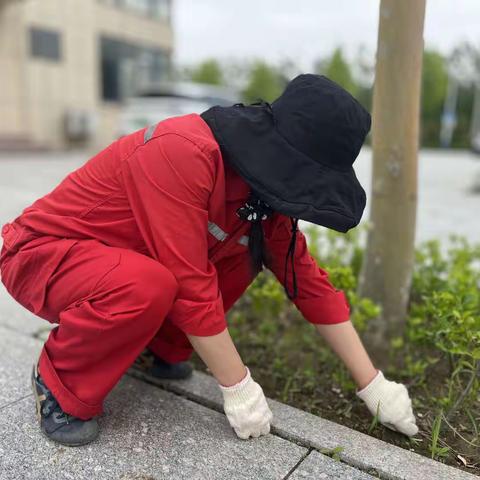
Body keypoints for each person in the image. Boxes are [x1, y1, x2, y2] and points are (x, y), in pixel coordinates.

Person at [0, 74, 418, 446]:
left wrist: (374, 385)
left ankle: (158, 347)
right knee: (152, 284)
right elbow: (188, 279)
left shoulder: (262, 194)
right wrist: (238, 385)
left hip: (115, 263)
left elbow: (306, 282)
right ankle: (60, 382)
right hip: (40, 252)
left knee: (243, 253)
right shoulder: (182, 151)